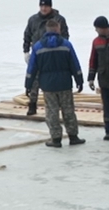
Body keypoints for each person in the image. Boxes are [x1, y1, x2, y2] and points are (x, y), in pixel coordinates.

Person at [24, 17, 86, 147]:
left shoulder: (38, 46)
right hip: (64, 83)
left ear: (46, 30)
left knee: (52, 112)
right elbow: (74, 64)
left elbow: (32, 68)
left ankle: (56, 139)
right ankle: (73, 136)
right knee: (68, 110)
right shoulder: (66, 45)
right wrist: (79, 80)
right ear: (58, 29)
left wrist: (28, 85)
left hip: (48, 85)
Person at [21, 0, 68, 115]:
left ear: (50, 6)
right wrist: (26, 51)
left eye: (46, 6)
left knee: (54, 80)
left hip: (53, 55)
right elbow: (27, 35)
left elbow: (65, 36)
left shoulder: (58, 19)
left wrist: (60, 50)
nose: (43, 8)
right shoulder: (33, 20)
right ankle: (32, 104)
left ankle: (57, 105)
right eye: (42, 6)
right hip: (37, 54)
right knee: (34, 80)